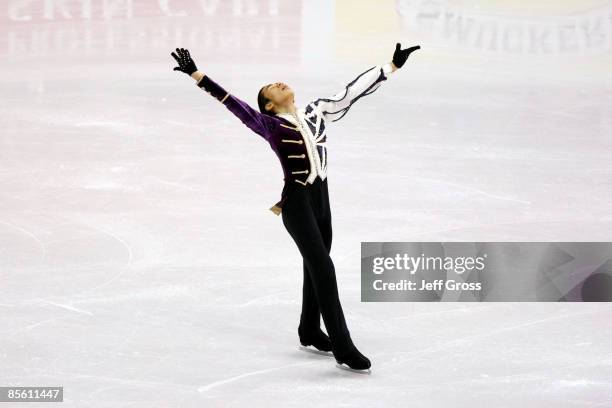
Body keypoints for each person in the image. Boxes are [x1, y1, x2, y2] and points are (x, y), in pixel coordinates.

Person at [171, 43, 420, 371]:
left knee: (315, 265)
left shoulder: (316, 112)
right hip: (297, 204)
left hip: (322, 200)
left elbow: (349, 94)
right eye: (272, 87)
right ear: (270, 105)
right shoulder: (270, 126)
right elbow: (238, 106)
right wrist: (197, 75)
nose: (281, 83)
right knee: (323, 268)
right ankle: (343, 348)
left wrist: (389, 67)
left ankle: (308, 328)